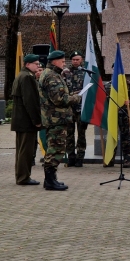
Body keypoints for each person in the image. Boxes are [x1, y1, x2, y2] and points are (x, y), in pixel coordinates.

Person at [39, 50, 81, 191]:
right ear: (54, 61)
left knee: (56, 148)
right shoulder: (52, 76)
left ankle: (52, 178)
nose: (64, 63)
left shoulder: (52, 74)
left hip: (55, 118)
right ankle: (50, 181)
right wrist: (76, 98)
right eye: (62, 61)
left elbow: (60, 94)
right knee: (55, 149)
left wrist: (72, 94)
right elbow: (59, 99)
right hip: (56, 118)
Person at [11, 54, 42, 185]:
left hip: (21, 120)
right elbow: (30, 101)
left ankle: (21, 175)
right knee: (26, 150)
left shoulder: (21, 75)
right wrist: (36, 120)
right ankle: (23, 177)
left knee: (21, 150)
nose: (38, 66)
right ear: (27, 64)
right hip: (26, 120)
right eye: (36, 63)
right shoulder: (27, 77)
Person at [63, 51, 88, 167]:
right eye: (73, 59)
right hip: (68, 108)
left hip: (81, 108)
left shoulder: (86, 73)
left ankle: (80, 157)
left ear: (81, 60)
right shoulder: (65, 73)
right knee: (69, 134)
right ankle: (71, 157)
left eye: (77, 59)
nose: (75, 61)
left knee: (81, 134)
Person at [104, 79, 130, 168]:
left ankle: (127, 159)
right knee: (111, 136)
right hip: (112, 114)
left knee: (125, 137)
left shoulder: (128, 84)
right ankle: (110, 159)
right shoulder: (107, 85)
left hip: (124, 113)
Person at [32, 62, 45, 166]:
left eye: (40, 70)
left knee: (45, 137)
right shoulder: (31, 82)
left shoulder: (46, 83)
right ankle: (31, 157)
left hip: (45, 114)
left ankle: (46, 156)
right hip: (34, 113)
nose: (38, 73)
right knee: (32, 139)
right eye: (36, 71)